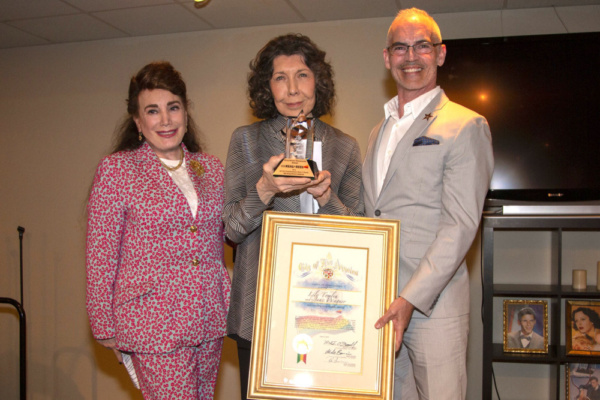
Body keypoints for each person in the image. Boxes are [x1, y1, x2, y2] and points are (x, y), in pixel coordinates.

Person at [223, 33, 364, 400]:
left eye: (301, 75)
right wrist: (265, 191)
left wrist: (327, 198)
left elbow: (360, 232)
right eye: (279, 78)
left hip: (324, 308)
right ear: (267, 88)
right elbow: (232, 229)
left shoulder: (344, 146)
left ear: (317, 80)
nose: (292, 89)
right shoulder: (246, 140)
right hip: (260, 310)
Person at [362, 8, 494, 399]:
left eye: (422, 45)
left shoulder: (466, 125)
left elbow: (461, 225)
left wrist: (410, 298)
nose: (411, 56)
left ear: (440, 54)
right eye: (400, 47)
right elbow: (375, 213)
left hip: (434, 309)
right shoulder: (377, 130)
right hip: (382, 304)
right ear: (387, 58)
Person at [86, 61, 231, 399]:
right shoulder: (117, 169)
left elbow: (228, 231)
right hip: (154, 323)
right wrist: (103, 324)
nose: (165, 120)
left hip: (209, 315)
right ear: (138, 121)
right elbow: (100, 253)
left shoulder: (209, 167)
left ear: (185, 112)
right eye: (153, 111)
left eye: (173, 108)